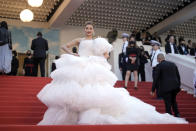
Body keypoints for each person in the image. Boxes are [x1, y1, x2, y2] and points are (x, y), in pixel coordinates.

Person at [37, 21, 187, 125]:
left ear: (93, 30)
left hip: (92, 66)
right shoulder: (79, 39)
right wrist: (75, 55)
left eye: (90, 28)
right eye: (86, 28)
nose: (88, 30)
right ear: (84, 30)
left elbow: (106, 53)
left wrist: (97, 57)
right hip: (80, 64)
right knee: (77, 89)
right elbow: (64, 46)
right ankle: (76, 115)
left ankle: (90, 114)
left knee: (93, 90)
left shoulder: (97, 41)